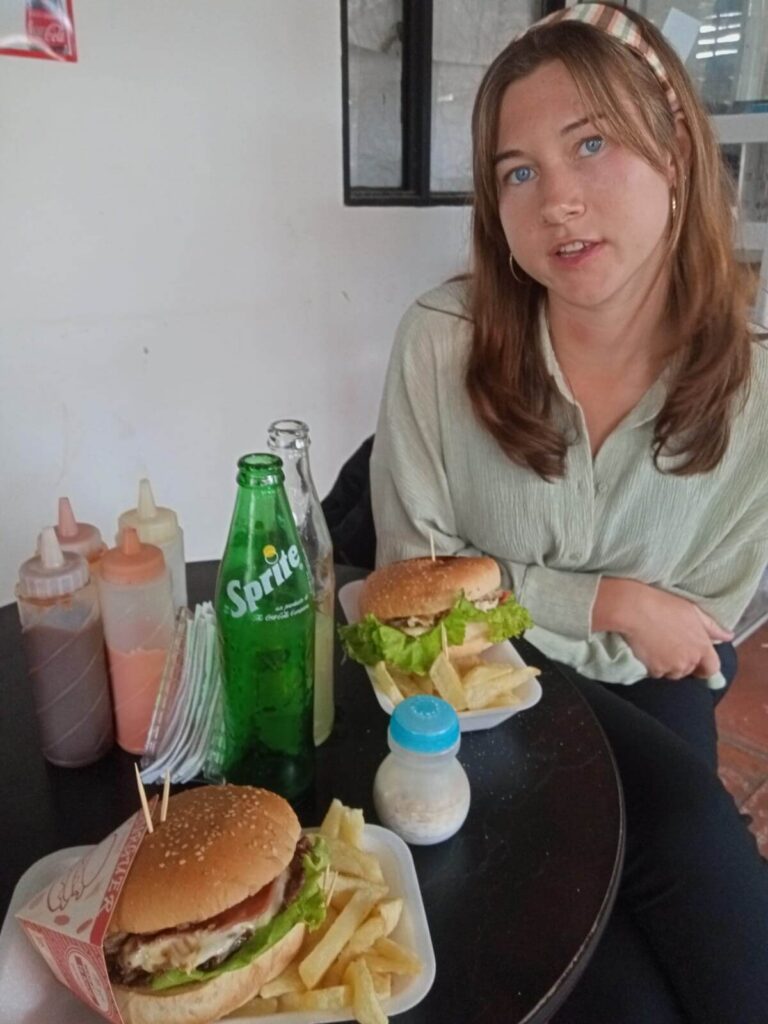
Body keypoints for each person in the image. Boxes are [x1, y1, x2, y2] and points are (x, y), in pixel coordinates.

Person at [369, 4, 768, 1023]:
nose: (557, 201)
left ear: (675, 152)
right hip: (477, 697)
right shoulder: (440, 342)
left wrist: (573, 604)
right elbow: (410, 592)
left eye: (590, 144)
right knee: (660, 896)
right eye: (518, 171)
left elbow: (693, 627)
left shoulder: (754, 382)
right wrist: (604, 602)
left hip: (651, 685)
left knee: (693, 880)